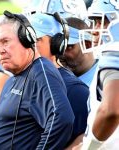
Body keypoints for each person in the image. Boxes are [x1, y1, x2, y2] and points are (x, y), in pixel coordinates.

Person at [0, 10, 74, 149]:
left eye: (5, 41)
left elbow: (61, 118)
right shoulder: (15, 77)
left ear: (27, 39)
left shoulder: (41, 72)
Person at [27, 12, 89, 149]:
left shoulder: (76, 90)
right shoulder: (18, 80)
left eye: (70, 47)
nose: (63, 53)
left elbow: (82, 139)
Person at [73, 18, 119, 150]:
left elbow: (111, 111)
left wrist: (90, 147)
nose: (95, 29)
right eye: (95, 21)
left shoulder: (114, 51)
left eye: (102, 22)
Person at [59, 17, 98, 87]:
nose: (60, 54)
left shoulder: (105, 79)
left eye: (68, 47)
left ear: (87, 45)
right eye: (58, 46)